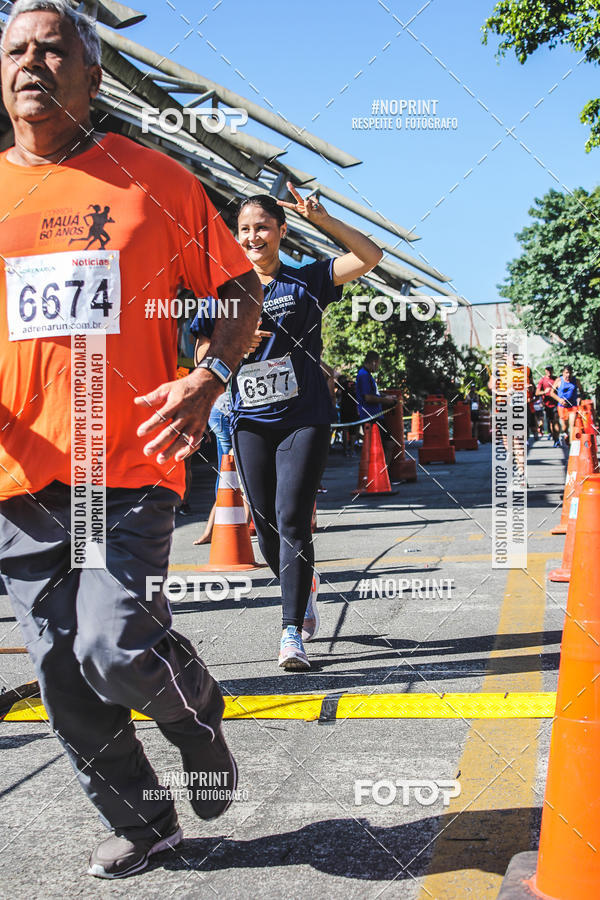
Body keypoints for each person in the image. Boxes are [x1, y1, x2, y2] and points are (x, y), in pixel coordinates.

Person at [0, 0, 262, 880]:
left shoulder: (157, 181)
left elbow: (236, 293)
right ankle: (147, 824)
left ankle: (194, 716)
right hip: (18, 479)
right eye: (15, 50)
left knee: (112, 647)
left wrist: (209, 377)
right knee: (62, 677)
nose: (31, 63)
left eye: (52, 49)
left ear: (92, 75)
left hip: (128, 464)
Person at [226, 187, 382, 671]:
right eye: (246, 229)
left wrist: (324, 218)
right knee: (267, 524)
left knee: (293, 516)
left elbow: (370, 257)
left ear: (281, 231)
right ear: (237, 236)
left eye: (263, 227)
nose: (254, 236)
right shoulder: (224, 290)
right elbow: (199, 352)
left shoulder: (308, 279)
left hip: (304, 417)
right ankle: (303, 587)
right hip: (249, 420)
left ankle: (290, 630)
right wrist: (234, 346)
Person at [551, 365, 579, 444]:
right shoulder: (559, 380)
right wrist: (559, 399)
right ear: (563, 373)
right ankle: (567, 434)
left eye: (570, 373)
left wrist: (580, 397)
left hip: (573, 406)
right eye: (566, 373)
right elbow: (551, 393)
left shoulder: (576, 381)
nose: (568, 375)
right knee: (564, 427)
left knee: (572, 424)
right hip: (562, 407)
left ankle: (571, 445)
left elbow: (581, 391)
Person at [536, 365, 560, 445]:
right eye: (547, 370)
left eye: (550, 370)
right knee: (551, 422)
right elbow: (537, 393)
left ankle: (557, 438)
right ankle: (555, 437)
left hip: (556, 403)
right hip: (547, 405)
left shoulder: (556, 379)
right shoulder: (542, 380)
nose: (549, 371)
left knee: (556, 420)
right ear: (545, 371)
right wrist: (544, 392)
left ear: (553, 370)